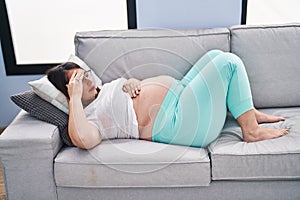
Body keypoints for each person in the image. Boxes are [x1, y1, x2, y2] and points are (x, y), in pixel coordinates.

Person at [47, 50, 288, 149]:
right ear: (69, 90)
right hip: (178, 123)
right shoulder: (88, 116)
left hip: (180, 96)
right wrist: (75, 98)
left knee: (215, 55)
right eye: (80, 80)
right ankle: (251, 131)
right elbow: (83, 140)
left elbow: (127, 98)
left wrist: (130, 83)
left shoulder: (102, 92)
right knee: (229, 63)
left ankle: (246, 110)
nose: (88, 81)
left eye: (85, 75)